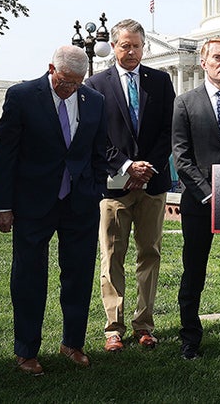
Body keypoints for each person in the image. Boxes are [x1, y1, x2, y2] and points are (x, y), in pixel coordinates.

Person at [0, 45, 109, 374]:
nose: (70, 88)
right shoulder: (22, 96)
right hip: (33, 204)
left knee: (79, 275)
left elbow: (100, 151)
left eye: (77, 82)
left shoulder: (94, 101)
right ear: (51, 69)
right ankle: (26, 350)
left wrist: (97, 187)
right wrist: (4, 205)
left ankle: (73, 343)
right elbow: (5, 154)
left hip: (80, 203)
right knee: (29, 277)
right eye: (65, 81)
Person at [84, 18, 176, 352]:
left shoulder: (161, 82)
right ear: (113, 46)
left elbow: (170, 129)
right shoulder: (96, 84)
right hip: (114, 185)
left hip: (152, 183)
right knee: (112, 255)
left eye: (137, 45)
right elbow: (96, 135)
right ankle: (113, 327)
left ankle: (144, 324)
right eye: (125, 45)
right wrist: (125, 165)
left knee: (149, 253)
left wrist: (146, 167)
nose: (132, 51)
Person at [173, 37, 220, 360]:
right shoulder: (185, 102)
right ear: (203, 62)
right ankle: (190, 338)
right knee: (194, 273)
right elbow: (181, 157)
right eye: (217, 57)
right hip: (200, 203)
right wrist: (208, 195)